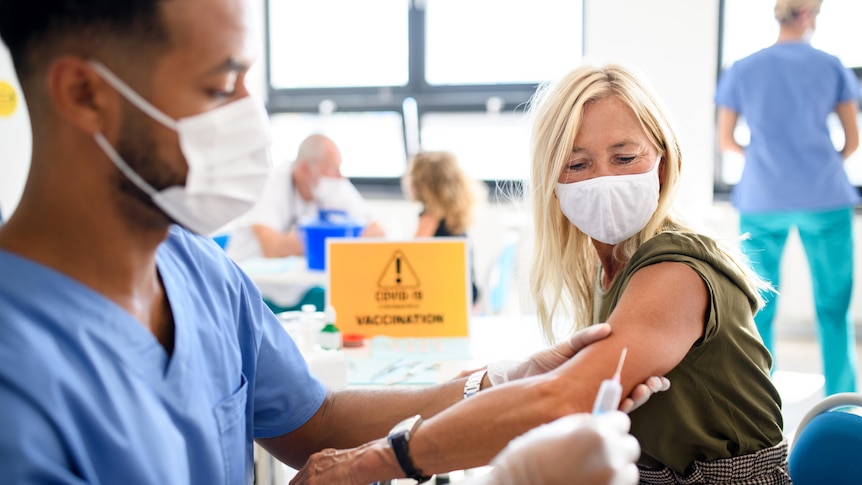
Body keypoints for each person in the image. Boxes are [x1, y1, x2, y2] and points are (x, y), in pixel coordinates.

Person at [0, 1, 670, 484]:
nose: (248, 117)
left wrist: (499, 379)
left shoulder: (199, 272)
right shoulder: (19, 379)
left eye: (248, 83)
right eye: (218, 85)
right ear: (87, 93)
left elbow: (318, 425)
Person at [521, 63, 788, 482]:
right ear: (550, 180)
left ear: (662, 161)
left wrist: (403, 449)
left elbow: (564, 399)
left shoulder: (674, 270)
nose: (604, 180)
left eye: (625, 157)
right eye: (577, 165)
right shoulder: (604, 270)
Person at [715, 0, 859, 396]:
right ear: (808, 16)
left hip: (764, 197)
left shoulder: (743, 70)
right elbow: (852, 141)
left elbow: (726, 140)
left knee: (758, 305)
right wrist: (817, 165)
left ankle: (759, 397)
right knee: (833, 309)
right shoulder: (831, 65)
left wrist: (764, 160)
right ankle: (842, 401)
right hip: (824, 196)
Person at [226, 133, 386, 262]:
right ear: (304, 168)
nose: (340, 177)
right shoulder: (269, 184)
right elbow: (272, 247)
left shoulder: (336, 184)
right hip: (257, 286)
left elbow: (377, 231)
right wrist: (346, 236)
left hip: (299, 287)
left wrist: (319, 239)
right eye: (331, 168)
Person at [403, 150, 484, 306]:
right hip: (468, 296)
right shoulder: (454, 218)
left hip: (449, 301)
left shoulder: (430, 218)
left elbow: (412, 258)